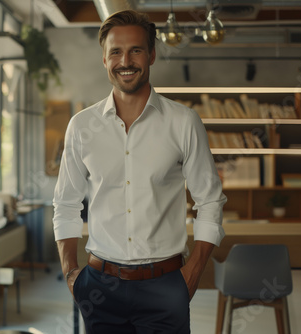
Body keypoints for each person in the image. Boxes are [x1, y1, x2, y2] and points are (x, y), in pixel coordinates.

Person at [52, 9, 227, 334]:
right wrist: (70, 273)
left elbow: (210, 201)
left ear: (152, 55)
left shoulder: (183, 122)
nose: (125, 60)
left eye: (135, 50)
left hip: (165, 286)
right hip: (99, 286)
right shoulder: (81, 126)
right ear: (104, 59)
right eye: (115, 51)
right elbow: (65, 204)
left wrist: (193, 272)